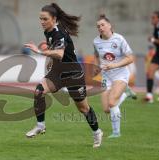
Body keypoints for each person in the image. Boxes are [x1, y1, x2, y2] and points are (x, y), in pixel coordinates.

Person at [24, 3, 103, 148]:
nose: (42, 22)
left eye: (45, 19)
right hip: (58, 71)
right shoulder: (48, 30)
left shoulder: (58, 32)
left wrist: (40, 52)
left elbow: (59, 54)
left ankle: (97, 132)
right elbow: (56, 52)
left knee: (83, 108)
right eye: (40, 19)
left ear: (54, 19)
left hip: (73, 73)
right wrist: (50, 63)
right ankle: (40, 125)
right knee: (39, 91)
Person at [93, 14, 134, 138]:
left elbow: (130, 58)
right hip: (106, 76)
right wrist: (96, 68)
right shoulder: (96, 41)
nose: (100, 27)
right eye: (98, 26)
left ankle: (116, 133)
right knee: (106, 109)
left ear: (110, 25)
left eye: (102, 25)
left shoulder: (119, 39)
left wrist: (114, 65)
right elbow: (96, 55)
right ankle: (126, 94)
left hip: (120, 75)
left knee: (112, 103)